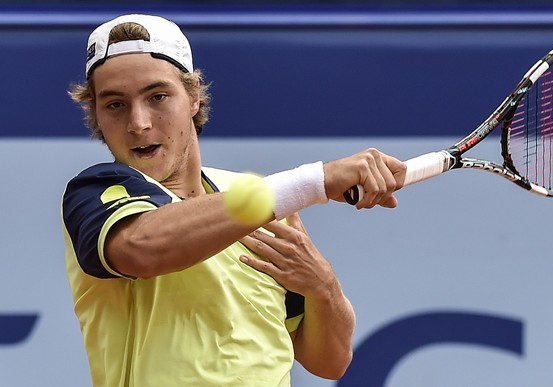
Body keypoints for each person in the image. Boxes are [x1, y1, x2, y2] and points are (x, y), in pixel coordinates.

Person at [61, 14, 406, 387]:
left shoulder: (259, 197)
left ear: (193, 96)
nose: (138, 123)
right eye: (115, 105)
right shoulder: (97, 191)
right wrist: (316, 181)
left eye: (157, 96)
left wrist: (324, 288)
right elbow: (144, 249)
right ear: (95, 112)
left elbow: (329, 362)